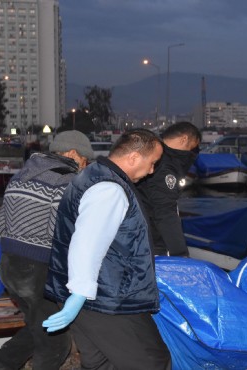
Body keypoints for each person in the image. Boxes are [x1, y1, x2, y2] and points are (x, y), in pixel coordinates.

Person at [43, 129, 171, 369]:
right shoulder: (110, 188)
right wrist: (80, 293)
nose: (152, 171)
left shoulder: (91, 174)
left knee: (100, 363)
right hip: (108, 300)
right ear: (133, 157)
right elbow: (87, 242)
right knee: (152, 361)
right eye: (152, 163)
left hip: (82, 296)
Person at [0, 130, 94, 370]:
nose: (85, 165)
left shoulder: (22, 174)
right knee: (56, 343)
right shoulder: (67, 179)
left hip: (10, 266)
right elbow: (63, 231)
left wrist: (18, 244)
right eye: (85, 159)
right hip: (38, 270)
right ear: (73, 154)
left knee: (38, 328)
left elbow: (1, 222)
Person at [136, 121, 201, 256]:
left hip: (141, 238)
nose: (194, 153)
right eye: (194, 148)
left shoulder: (152, 156)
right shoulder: (166, 166)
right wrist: (180, 254)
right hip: (154, 244)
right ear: (184, 139)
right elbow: (165, 211)